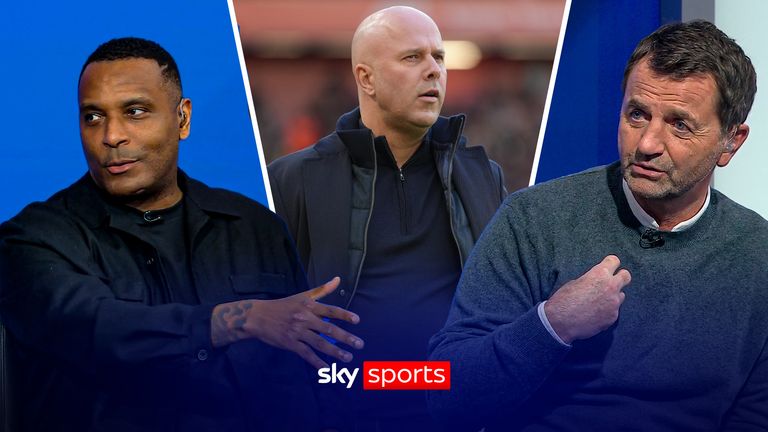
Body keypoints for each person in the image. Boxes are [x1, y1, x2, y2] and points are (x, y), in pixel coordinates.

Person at [0, 37, 364, 432]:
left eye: (135, 112)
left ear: (182, 119)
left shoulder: (256, 228)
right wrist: (242, 319)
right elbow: (96, 329)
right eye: (93, 117)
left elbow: (315, 377)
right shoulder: (32, 239)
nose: (112, 136)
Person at [428, 20, 768, 431]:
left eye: (679, 124)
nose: (646, 144)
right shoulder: (533, 220)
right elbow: (443, 394)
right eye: (637, 114)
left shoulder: (757, 256)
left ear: (731, 141)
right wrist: (552, 324)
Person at [268, 6, 505, 431]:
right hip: (335, 410)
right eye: (413, 58)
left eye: (439, 57)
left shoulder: (484, 175)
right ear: (366, 78)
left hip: (452, 410)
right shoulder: (292, 179)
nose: (433, 71)